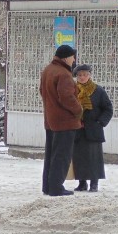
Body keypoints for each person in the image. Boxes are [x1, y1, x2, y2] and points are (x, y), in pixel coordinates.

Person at [39, 44, 83, 197]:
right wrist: (79, 110)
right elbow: (67, 97)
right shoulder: (63, 74)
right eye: (72, 56)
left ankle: (48, 186)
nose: (74, 59)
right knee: (62, 155)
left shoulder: (48, 70)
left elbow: (41, 91)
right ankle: (56, 187)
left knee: (51, 154)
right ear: (66, 57)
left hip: (50, 120)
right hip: (64, 121)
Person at [72, 64, 113, 192]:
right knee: (79, 156)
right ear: (76, 76)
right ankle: (82, 183)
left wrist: (100, 122)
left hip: (94, 129)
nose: (82, 77)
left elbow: (108, 109)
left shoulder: (98, 90)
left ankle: (94, 183)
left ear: (89, 75)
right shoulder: (73, 90)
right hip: (78, 129)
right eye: (79, 75)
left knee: (94, 157)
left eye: (85, 74)